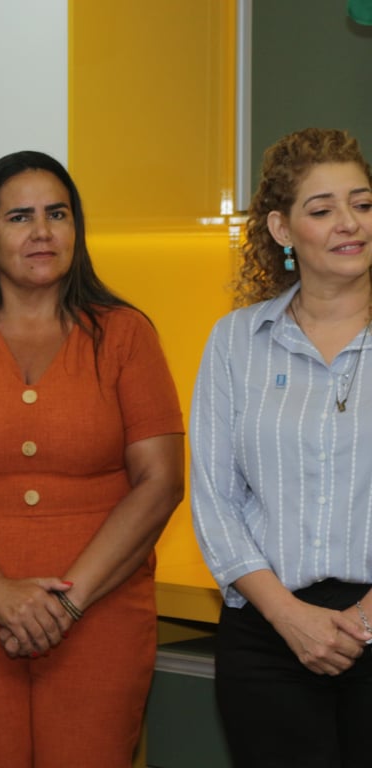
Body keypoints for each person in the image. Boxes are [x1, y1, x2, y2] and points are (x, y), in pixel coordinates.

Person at [0, 150, 184, 768]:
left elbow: (160, 482)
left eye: (58, 214)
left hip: (101, 612)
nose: (43, 231)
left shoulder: (126, 335)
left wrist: (67, 603)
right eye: (20, 217)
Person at [190, 128, 372, 768]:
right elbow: (213, 500)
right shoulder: (236, 342)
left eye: (363, 204)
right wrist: (288, 616)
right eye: (322, 210)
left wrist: (363, 622)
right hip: (267, 636)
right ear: (282, 228)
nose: (350, 223)